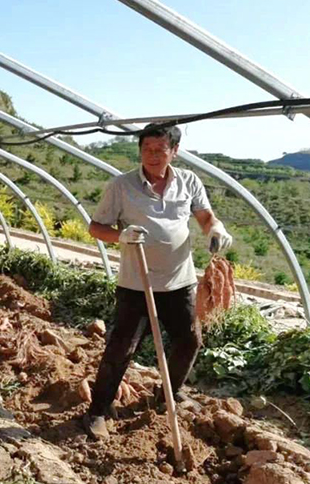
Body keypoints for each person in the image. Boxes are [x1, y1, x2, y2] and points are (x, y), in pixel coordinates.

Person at [83, 123, 233, 441]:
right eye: (146, 149)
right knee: (122, 348)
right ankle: (97, 410)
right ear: (140, 151)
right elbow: (96, 227)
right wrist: (120, 236)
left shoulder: (189, 182)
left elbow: (204, 216)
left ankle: (168, 393)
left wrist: (216, 228)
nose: (152, 155)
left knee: (190, 339)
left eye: (160, 150)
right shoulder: (121, 186)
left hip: (180, 282)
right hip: (137, 283)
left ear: (173, 152)